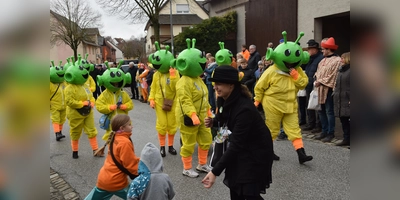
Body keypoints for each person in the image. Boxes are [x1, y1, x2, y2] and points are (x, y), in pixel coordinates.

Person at [202, 65, 273, 200]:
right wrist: (215, 122)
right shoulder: (224, 98)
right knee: (235, 187)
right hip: (241, 149)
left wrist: (214, 172)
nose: (215, 87)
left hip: (255, 152)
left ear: (231, 85)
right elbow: (224, 117)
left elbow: (236, 144)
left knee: (248, 192)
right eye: (214, 84)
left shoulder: (244, 109)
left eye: (219, 84)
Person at [254, 31, 313, 164]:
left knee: (294, 129)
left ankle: (301, 154)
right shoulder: (271, 71)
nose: (292, 63)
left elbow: (304, 83)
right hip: (273, 104)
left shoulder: (298, 70)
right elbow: (259, 86)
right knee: (272, 129)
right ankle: (267, 152)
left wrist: (296, 77)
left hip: (290, 104)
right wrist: (257, 100)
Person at [172, 38, 213, 178]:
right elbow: (185, 100)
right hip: (188, 117)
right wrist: (192, 115)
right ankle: (187, 167)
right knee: (188, 142)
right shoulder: (183, 82)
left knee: (206, 139)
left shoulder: (198, 79)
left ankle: (202, 164)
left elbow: (204, 97)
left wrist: (208, 111)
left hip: (202, 115)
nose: (205, 63)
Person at [84, 114, 140, 200]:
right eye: (129, 124)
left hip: (104, 179)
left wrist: (139, 160)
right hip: (117, 182)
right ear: (122, 128)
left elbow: (120, 158)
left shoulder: (115, 137)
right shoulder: (125, 142)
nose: (132, 126)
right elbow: (129, 163)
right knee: (137, 197)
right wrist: (140, 173)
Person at [64, 57, 100, 159]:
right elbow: (69, 101)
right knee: (75, 131)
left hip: (88, 112)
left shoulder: (85, 86)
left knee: (91, 130)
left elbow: (91, 96)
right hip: (75, 114)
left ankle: (95, 149)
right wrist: (82, 103)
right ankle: (75, 151)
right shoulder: (69, 88)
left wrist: (92, 102)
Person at [148, 42, 180, 157]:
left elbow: (175, 87)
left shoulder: (175, 73)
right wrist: (151, 98)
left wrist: (172, 76)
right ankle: (162, 146)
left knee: (171, 124)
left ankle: (170, 146)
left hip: (173, 102)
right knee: (162, 124)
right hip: (159, 102)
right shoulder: (156, 75)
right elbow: (153, 88)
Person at [314, 37, 342, 142]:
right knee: (321, 111)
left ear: (328, 49)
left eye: (323, 49)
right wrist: (316, 79)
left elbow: (333, 75)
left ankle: (331, 132)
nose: (322, 51)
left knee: (329, 111)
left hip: (328, 89)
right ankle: (324, 131)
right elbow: (317, 72)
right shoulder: (322, 61)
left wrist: (321, 81)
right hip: (319, 89)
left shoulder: (337, 60)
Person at [302, 39, 324, 132]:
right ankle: (311, 123)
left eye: (310, 49)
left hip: (315, 84)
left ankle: (318, 125)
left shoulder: (320, 58)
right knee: (309, 104)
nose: (309, 51)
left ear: (315, 49)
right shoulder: (309, 58)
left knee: (317, 105)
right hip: (308, 83)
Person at [333, 52, 350, 146]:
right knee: (343, 120)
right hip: (340, 98)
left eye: (343, 58)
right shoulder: (341, 71)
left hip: (348, 98)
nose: (341, 60)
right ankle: (346, 138)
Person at [50, 61, 67, 141]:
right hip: (54, 105)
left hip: (64, 105)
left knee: (62, 119)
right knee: (55, 119)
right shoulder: (50, 84)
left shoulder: (63, 83)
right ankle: (57, 133)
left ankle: (60, 131)